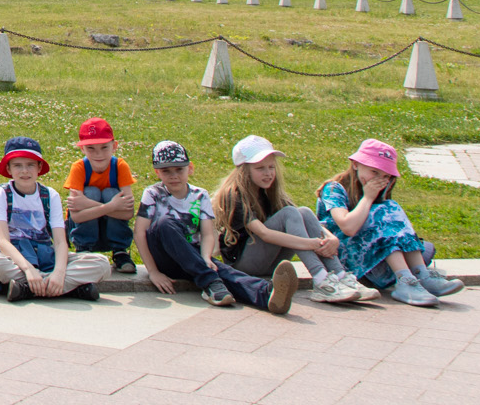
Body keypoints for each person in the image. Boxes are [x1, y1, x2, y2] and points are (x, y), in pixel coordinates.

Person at [135, 140, 293, 313]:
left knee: (223, 271)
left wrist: (206, 258)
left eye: (179, 169)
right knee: (165, 223)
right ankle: (211, 282)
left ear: (190, 168)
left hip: (193, 257)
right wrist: (153, 271)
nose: (174, 176)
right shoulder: (153, 193)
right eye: (166, 171)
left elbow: (208, 233)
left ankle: (267, 294)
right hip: (164, 256)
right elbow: (140, 233)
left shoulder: (200, 195)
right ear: (157, 172)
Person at [214, 135, 367, 305]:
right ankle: (321, 280)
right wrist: (310, 244)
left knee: (304, 212)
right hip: (243, 264)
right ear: (244, 170)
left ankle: (341, 275)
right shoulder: (234, 194)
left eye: (271, 167)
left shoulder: (269, 191)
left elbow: (301, 218)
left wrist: (331, 238)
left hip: (267, 261)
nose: (268, 173)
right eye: (260, 168)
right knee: (290, 213)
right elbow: (264, 234)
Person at [315, 138, 462, 305]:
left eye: (385, 176)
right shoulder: (334, 189)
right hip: (345, 260)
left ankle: (421, 275)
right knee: (384, 209)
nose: (378, 179)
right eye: (374, 172)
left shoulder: (378, 193)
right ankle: (405, 281)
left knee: (391, 208)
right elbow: (347, 227)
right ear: (355, 164)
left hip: (374, 258)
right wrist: (368, 198)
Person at [0, 136, 109, 301]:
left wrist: (59, 273)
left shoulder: (50, 195)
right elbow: (3, 242)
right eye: (18, 165)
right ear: (9, 169)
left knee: (101, 263)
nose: (24, 171)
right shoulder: (2, 193)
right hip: (14, 256)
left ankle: (28, 288)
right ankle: (67, 288)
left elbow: (60, 242)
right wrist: (28, 270)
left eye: (30, 165)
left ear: (39, 167)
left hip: (45, 255)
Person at [63, 117, 136, 274]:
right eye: (91, 148)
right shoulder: (79, 168)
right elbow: (76, 216)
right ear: (82, 149)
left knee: (110, 193)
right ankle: (84, 249)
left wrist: (89, 204)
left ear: (114, 146)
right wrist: (112, 206)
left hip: (111, 227)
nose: (98, 154)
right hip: (85, 229)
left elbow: (128, 212)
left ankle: (120, 251)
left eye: (104, 147)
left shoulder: (120, 166)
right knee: (92, 192)